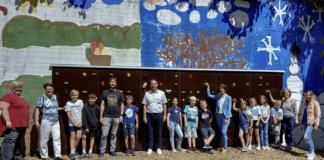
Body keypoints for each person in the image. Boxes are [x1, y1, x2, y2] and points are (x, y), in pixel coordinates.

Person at [0, 81, 30, 160]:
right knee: (10, 142)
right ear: (12, 88)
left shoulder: (21, 97)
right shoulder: (8, 96)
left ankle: (17, 158)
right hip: (13, 124)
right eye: (17, 88)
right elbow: (3, 108)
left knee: (18, 143)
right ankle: (6, 158)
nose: (19, 89)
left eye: (20, 88)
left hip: (22, 124)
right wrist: (7, 120)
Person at [35, 82, 64, 160]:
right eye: (47, 89)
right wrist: (36, 121)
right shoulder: (42, 97)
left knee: (57, 138)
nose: (49, 90)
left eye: (50, 89)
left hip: (55, 121)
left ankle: (57, 155)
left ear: (53, 89)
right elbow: (37, 109)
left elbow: (54, 108)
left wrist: (62, 108)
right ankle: (44, 156)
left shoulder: (55, 96)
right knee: (45, 138)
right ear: (45, 89)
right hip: (46, 120)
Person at [99, 77, 125, 157]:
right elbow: (102, 105)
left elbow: (122, 104)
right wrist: (101, 116)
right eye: (111, 82)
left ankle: (112, 150)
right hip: (106, 116)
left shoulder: (119, 93)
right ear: (109, 83)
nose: (112, 83)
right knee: (104, 134)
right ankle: (102, 151)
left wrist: (121, 115)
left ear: (116, 83)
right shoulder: (104, 93)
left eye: (114, 82)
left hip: (116, 116)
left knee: (113, 134)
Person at [142, 79, 167, 155]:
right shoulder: (147, 94)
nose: (153, 85)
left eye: (154, 84)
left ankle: (158, 147)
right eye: (152, 84)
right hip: (149, 115)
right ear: (150, 85)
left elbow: (164, 104)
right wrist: (144, 116)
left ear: (157, 85)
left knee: (159, 132)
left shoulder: (161, 93)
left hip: (159, 115)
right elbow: (145, 105)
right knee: (150, 132)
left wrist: (165, 115)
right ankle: (150, 148)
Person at [205, 83, 232, 153]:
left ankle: (225, 148)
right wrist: (208, 87)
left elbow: (229, 109)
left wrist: (227, 118)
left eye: (223, 88)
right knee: (222, 132)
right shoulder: (218, 96)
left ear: (225, 89)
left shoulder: (229, 97)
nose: (221, 89)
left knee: (223, 132)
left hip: (225, 116)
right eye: (220, 88)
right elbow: (208, 95)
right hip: (218, 116)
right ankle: (224, 144)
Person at [300, 91, 321, 160]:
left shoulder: (315, 103)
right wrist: (301, 124)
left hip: (311, 123)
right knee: (309, 137)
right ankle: (310, 152)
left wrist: (316, 125)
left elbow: (318, 115)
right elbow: (303, 114)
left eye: (309, 95)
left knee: (306, 137)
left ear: (312, 96)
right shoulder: (305, 103)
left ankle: (312, 153)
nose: (308, 96)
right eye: (307, 95)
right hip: (304, 123)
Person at [65, 90, 84, 159]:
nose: (74, 96)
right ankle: (72, 152)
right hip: (72, 123)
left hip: (79, 122)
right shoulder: (68, 103)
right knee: (72, 136)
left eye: (76, 95)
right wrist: (74, 123)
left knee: (79, 137)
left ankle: (73, 150)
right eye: (73, 95)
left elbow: (82, 112)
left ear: (78, 96)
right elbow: (68, 114)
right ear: (70, 96)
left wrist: (81, 121)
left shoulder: (80, 102)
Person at [80, 93, 100, 158]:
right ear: (88, 99)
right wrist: (86, 126)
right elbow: (84, 117)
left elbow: (98, 116)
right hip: (86, 125)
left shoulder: (97, 107)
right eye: (90, 99)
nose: (91, 100)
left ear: (95, 100)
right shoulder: (85, 106)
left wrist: (96, 124)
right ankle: (83, 152)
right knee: (83, 137)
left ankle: (90, 151)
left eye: (93, 99)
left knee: (92, 137)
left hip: (94, 125)